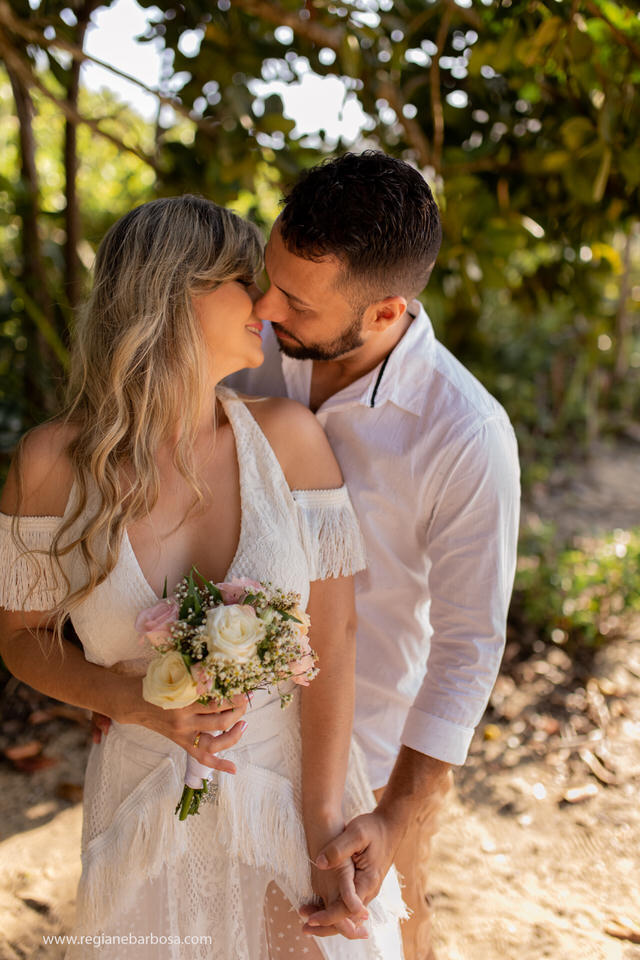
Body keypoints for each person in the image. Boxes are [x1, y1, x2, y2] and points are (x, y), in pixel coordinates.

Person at [0, 195, 407, 959]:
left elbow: (334, 637)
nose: (261, 301)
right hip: (143, 807)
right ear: (173, 293)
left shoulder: (290, 441)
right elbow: (22, 641)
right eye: (239, 279)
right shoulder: (51, 465)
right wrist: (129, 698)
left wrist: (322, 817)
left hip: (289, 794)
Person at [227, 151, 521, 960]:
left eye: (293, 299)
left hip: (374, 750)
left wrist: (398, 815)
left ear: (387, 312)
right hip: (233, 729)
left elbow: (468, 646)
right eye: (268, 276)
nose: (261, 305)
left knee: (387, 935)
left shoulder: (465, 434)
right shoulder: (241, 348)